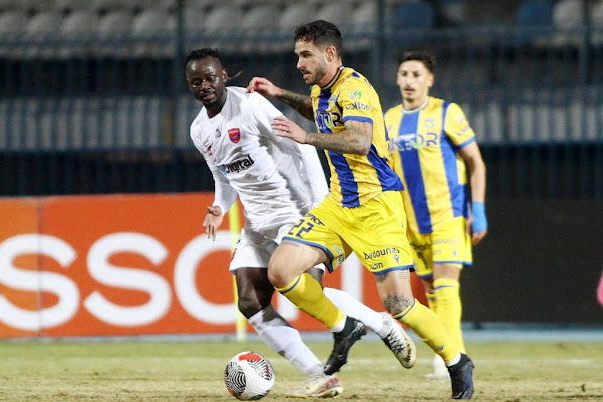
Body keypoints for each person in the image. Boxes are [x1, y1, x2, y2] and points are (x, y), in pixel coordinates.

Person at [247, 20, 474, 399]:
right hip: (339, 204)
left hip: (376, 206)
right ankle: (345, 326)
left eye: (306, 55)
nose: (299, 63)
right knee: (281, 271)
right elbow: (318, 109)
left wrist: (307, 138)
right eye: (297, 55)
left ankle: (456, 361)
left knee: (399, 304)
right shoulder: (323, 89)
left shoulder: (354, 88)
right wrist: (279, 93)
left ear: (330, 53)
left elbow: (359, 140)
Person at [185, 47, 415, 399]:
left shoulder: (250, 105)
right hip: (257, 222)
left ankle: (381, 325)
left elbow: (305, 148)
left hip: (294, 212)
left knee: (304, 289)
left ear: (224, 76)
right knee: (249, 301)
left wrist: (321, 207)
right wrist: (218, 207)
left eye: (210, 78)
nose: (204, 86)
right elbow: (224, 177)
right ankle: (320, 375)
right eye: (196, 81)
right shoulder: (199, 129)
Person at [383, 50, 487, 381]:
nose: (409, 80)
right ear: (397, 78)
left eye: (416, 74)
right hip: (412, 220)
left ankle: (452, 359)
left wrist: (478, 209)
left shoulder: (446, 112)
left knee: (445, 282)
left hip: (448, 213)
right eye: (404, 74)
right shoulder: (389, 120)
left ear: (429, 80)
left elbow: (475, 162)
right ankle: (450, 354)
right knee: (430, 288)